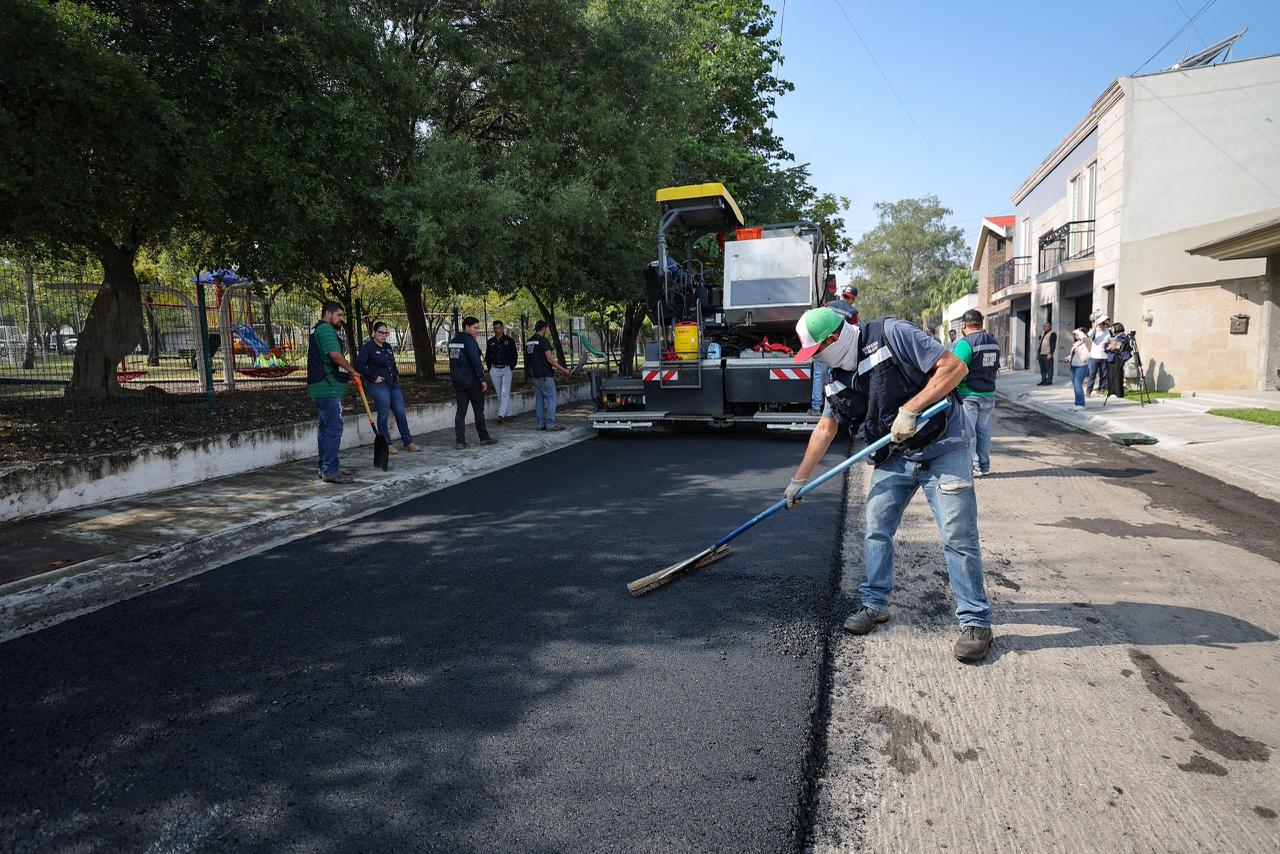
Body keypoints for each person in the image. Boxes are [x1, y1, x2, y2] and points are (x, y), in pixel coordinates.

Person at [783, 306, 993, 663]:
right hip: (896, 455)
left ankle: (976, 621)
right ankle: (875, 603)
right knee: (876, 529)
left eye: (815, 352)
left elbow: (955, 368)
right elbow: (825, 428)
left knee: (958, 535)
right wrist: (798, 481)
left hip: (944, 444)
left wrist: (912, 408)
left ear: (832, 339)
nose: (816, 362)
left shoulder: (892, 334)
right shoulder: (836, 378)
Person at [307, 301, 358, 483]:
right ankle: (330, 469)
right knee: (333, 429)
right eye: (339, 315)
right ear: (328, 314)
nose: (341, 319)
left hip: (318, 387)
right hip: (327, 387)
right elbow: (335, 355)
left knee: (324, 428)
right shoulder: (326, 329)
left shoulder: (315, 330)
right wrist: (352, 370)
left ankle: (325, 466)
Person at [356, 321, 419, 454]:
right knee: (383, 414)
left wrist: (396, 375)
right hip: (378, 385)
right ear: (374, 333)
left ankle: (408, 441)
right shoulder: (368, 348)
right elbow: (360, 365)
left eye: (386, 333)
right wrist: (373, 377)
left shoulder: (388, 347)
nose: (384, 335)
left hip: (392, 384)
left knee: (400, 412)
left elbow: (392, 364)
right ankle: (387, 444)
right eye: (381, 332)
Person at [952, 309, 1001, 478]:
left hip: (969, 395)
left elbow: (954, 370)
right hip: (989, 394)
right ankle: (984, 466)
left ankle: (973, 466)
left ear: (964, 325)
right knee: (984, 431)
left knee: (970, 432)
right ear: (981, 323)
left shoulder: (966, 344)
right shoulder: (994, 342)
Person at [449, 316, 496, 450]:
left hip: (458, 381)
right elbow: (476, 361)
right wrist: (482, 379)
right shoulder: (470, 341)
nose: (477, 330)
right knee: (478, 411)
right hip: (472, 381)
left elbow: (453, 362)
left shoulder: (453, 341)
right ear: (466, 327)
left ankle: (460, 441)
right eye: (475, 328)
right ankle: (484, 438)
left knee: (460, 412)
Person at [525, 319, 572, 431]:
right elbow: (550, 359)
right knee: (551, 398)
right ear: (544, 329)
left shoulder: (529, 341)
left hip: (534, 375)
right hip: (545, 374)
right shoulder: (543, 341)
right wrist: (564, 370)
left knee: (539, 399)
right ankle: (551, 424)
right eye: (546, 328)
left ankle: (540, 424)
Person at [485, 320, 519, 423]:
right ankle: (508, 413)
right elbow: (488, 356)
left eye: (499, 328)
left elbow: (514, 355)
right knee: (499, 393)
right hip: (495, 369)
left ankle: (500, 415)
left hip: (506, 369)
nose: (497, 330)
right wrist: (490, 368)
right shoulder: (490, 342)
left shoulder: (509, 340)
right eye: (495, 328)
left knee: (505, 392)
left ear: (503, 328)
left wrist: (511, 367)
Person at [1065, 328, 1092, 409]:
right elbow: (1074, 353)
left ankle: (1081, 404)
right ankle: (1077, 402)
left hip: (1082, 365)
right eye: (1075, 334)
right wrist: (1069, 358)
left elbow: (1087, 349)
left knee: (1078, 385)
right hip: (1073, 365)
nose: (1076, 336)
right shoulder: (1076, 343)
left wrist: (1080, 332)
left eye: (1077, 334)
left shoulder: (1088, 341)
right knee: (1075, 385)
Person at [1086, 316, 1112, 397]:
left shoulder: (1109, 331)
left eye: (1106, 323)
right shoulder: (1095, 331)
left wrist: (1108, 324)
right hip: (1094, 356)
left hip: (1104, 356)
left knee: (1103, 375)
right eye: (1102, 323)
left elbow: (1112, 339)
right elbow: (1088, 337)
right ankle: (1088, 391)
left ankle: (1102, 391)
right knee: (1092, 374)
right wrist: (1095, 326)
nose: (1104, 325)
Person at [1105, 322, 1133, 398]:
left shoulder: (1123, 336)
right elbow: (1107, 346)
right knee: (1110, 375)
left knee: (1117, 375)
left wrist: (1111, 346)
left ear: (1117, 328)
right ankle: (1111, 392)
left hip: (1118, 357)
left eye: (1113, 328)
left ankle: (1118, 392)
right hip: (1111, 357)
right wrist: (1109, 346)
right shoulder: (1114, 337)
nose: (1111, 330)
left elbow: (1117, 346)